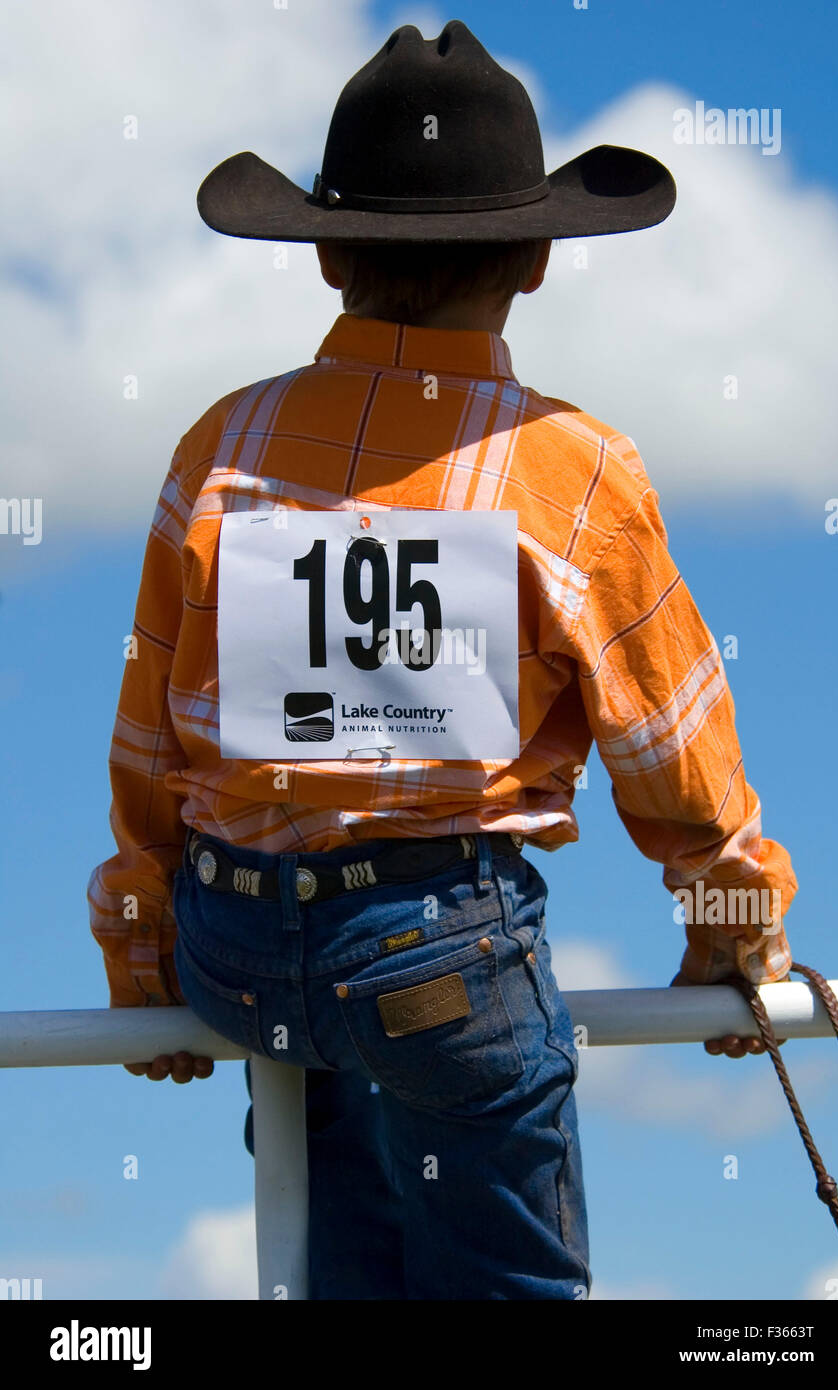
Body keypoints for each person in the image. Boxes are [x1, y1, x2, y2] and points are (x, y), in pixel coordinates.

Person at [88, 20, 797, 1300]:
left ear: (326, 259)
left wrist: (141, 954)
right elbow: (671, 758)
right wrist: (736, 924)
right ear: (534, 262)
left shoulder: (220, 443)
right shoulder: (572, 469)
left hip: (239, 949)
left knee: (331, 1245)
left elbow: (152, 734)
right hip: (438, 956)